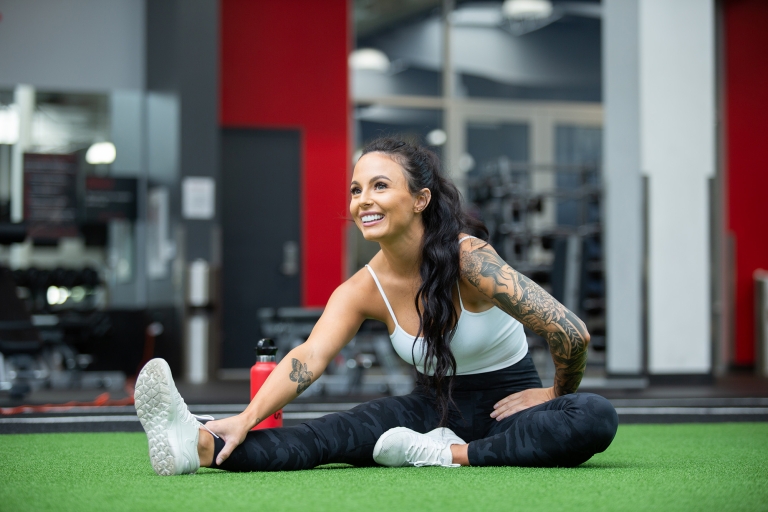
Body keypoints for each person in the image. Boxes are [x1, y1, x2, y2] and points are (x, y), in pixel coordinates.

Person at [134, 137, 618, 476]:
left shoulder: (471, 260)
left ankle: (448, 456)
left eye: (380, 186)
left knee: (594, 416)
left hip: (508, 409)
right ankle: (196, 446)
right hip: (430, 409)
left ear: (420, 199)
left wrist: (555, 393)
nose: (363, 199)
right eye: (355, 189)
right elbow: (310, 357)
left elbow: (570, 332)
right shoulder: (361, 289)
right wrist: (245, 417)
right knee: (328, 435)